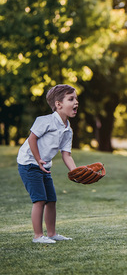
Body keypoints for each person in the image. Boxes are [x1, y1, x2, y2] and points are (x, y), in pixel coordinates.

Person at [17, 84, 78, 244]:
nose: (76, 102)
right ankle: (38, 236)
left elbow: (66, 154)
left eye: (76, 99)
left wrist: (76, 171)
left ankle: (51, 233)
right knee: (40, 200)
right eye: (71, 99)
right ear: (58, 104)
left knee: (51, 200)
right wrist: (38, 159)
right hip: (29, 163)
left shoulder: (68, 130)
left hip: (45, 166)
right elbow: (32, 138)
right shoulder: (45, 121)